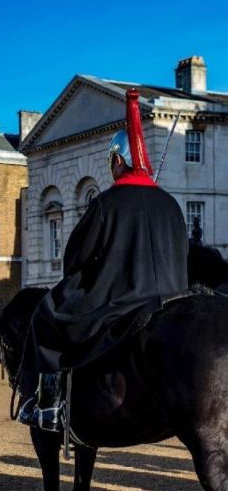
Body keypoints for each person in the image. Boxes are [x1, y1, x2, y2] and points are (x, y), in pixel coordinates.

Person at [17, 89, 189, 432]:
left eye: (111, 161)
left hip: (120, 302)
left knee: (44, 317)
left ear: (118, 160)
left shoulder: (106, 204)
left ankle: (46, 405)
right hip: (172, 299)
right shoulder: (170, 204)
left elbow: (76, 260)